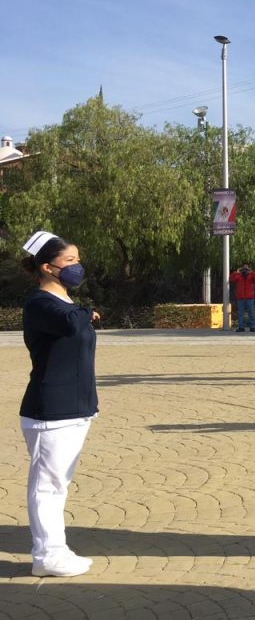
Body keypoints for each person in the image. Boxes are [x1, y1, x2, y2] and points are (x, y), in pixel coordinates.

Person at [20, 230, 100, 578]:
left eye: (77, 260)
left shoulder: (66, 304)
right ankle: (47, 555)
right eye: (69, 261)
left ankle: (56, 549)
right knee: (47, 486)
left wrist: (85, 313)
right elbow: (70, 323)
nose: (77, 267)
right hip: (50, 410)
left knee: (58, 484)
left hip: (76, 407)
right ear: (47, 267)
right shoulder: (40, 303)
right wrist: (88, 312)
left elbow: (75, 321)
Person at [229, 263, 255, 332]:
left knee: (251, 313)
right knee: (240, 313)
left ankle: (252, 327)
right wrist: (236, 272)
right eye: (243, 267)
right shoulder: (238, 275)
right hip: (240, 297)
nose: (245, 269)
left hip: (250, 297)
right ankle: (241, 327)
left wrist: (252, 272)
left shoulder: (251, 275)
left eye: (246, 268)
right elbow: (231, 279)